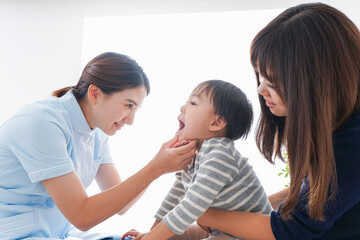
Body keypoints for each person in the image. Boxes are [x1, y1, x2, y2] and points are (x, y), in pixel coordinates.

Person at [195, 3, 360, 240]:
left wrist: (205, 213)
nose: (261, 89)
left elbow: (291, 230)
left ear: (316, 83)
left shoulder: (352, 143)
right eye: (260, 76)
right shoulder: (338, 128)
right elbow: (313, 197)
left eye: (272, 82)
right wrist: (260, 205)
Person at [0, 52, 197, 240]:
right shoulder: (42, 123)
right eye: (128, 105)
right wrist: (156, 167)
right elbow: (82, 216)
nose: (130, 120)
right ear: (95, 93)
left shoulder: (95, 133)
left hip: (55, 233)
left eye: (136, 109)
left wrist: (160, 162)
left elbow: (122, 204)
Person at [124, 80, 272, 240]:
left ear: (216, 123)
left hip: (252, 236)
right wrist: (151, 234)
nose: (183, 107)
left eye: (193, 103)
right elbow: (175, 197)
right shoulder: (194, 152)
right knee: (169, 236)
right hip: (224, 233)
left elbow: (191, 206)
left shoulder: (220, 153)